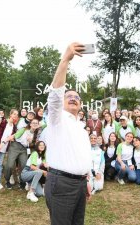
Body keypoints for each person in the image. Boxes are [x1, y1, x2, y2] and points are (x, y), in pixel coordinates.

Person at [45, 43, 92, 225]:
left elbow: (82, 155)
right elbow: (55, 95)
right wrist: (65, 60)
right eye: (69, 96)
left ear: (81, 105)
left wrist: (85, 179)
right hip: (62, 184)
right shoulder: (57, 119)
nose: (73, 98)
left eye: (77, 97)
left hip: (79, 185)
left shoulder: (80, 127)